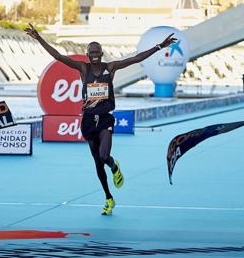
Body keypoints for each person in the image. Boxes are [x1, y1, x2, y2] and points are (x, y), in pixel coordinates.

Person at [25, 23, 176, 215]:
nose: (94, 54)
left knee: (105, 157)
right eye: (91, 52)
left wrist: (160, 46)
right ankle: (108, 198)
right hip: (88, 121)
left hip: (105, 119)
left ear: (101, 53)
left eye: (97, 51)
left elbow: (136, 58)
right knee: (97, 163)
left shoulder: (110, 68)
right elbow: (58, 56)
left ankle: (114, 166)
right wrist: (38, 38)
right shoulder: (82, 68)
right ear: (87, 55)